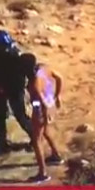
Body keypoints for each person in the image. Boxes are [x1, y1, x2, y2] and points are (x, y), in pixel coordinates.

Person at [20, 52, 64, 183]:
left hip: (40, 108)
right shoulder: (43, 68)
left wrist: (44, 116)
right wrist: (58, 95)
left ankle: (42, 173)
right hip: (49, 103)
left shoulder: (34, 84)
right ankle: (56, 156)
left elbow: (40, 101)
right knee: (45, 131)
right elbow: (59, 77)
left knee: (36, 140)